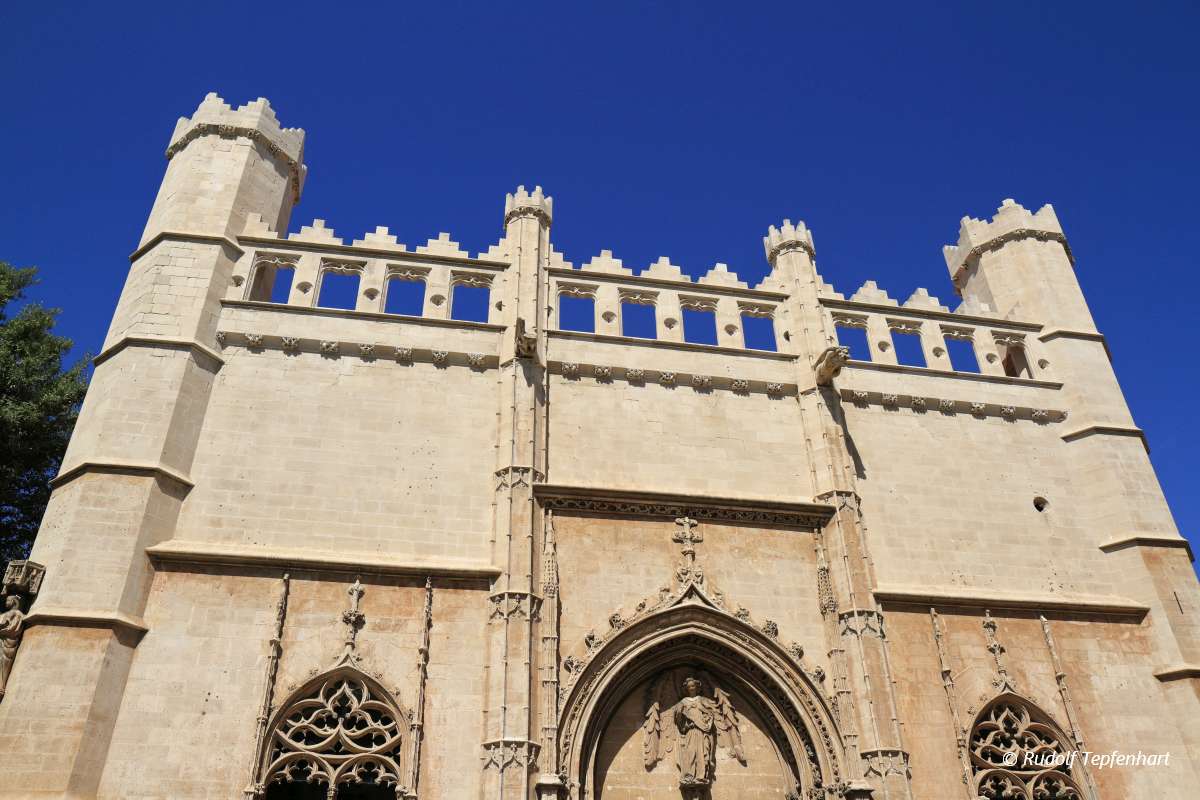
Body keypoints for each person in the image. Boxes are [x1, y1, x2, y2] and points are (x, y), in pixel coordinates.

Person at [674, 677, 717, 786]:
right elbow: (679, 720)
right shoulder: (683, 702)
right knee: (690, 753)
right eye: (689, 687)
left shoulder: (702, 700)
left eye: (693, 686)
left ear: (697, 687)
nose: (691, 688)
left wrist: (706, 721)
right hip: (690, 731)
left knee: (701, 754)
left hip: (701, 731)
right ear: (686, 689)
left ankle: (700, 776)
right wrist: (680, 714)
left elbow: (710, 713)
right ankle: (688, 776)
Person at [0, 594, 25, 699]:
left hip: (7, 644)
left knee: (3, 663)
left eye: (8, 600)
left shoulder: (17, 613)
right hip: (2, 641)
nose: (6, 602)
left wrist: (2, 630)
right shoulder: (5, 613)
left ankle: (1, 685)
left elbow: (14, 628)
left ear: (14, 602)